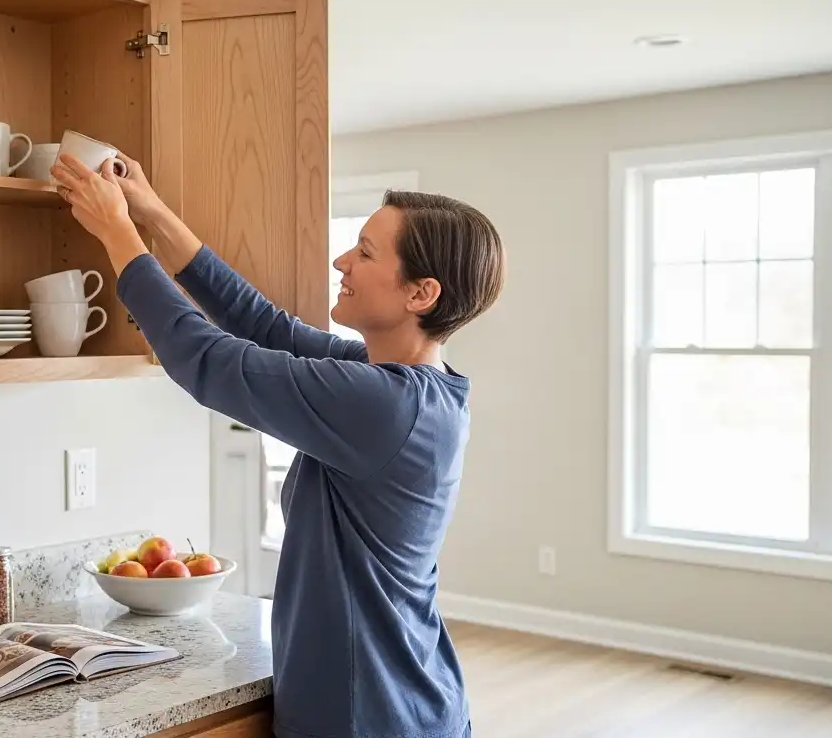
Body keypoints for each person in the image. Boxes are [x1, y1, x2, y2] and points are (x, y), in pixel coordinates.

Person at [50, 152, 503, 738]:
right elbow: (264, 326)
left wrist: (116, 230)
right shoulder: (406, 386)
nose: (341, 260)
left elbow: (206, 359)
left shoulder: (382, 404)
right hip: (400, 699)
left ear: (421, 293)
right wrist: (152, 212)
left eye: (365, 253)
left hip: (369, 714)